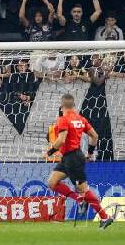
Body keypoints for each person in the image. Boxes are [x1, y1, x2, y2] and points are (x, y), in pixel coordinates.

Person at [46, 94, 113, 230]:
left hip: (72, 159)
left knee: (83, 190)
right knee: (52, 183)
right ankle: (79, 201)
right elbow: (95, 136)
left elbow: (61, 140)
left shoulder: (63, 119)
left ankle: (105, 216)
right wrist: (89, 153)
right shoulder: (81, 119)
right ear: (74, 105)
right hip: (71, 157)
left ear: (62, 106)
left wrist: (49, 152)